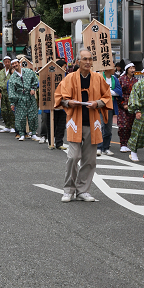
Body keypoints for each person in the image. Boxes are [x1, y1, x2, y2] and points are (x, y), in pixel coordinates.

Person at [55, 49, 112, 202]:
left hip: (92, 123)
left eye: (90, 59)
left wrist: (98, 103)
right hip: (75, 122)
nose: (87, 62)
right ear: (78, 61)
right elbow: (60, 96)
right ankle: (68, 190)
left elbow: (106, 96)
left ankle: (83, 190)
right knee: (73, 157)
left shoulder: (98, 78)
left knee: (90, 160)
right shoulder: (70, 78)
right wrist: (69, 102)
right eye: (84, 59)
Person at [8, 58, 40, 141]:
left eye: (16, 63)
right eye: (13, 64)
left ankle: (33, 133)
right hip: (20, 98)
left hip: (30, 96)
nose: (15, 65)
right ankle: (21, 133)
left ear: (19, 63)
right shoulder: (12, 78)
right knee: (20, 117)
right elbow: (11, 91)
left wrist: (33, 88)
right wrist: (12, 103)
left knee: (33, 115)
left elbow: (35, 80)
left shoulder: (29, 72)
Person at [97, 65, 122, 157]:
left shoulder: (115, 79)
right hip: (100, 105)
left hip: (110, 105)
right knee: (101, 126)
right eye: (113, 67)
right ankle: (99, 147)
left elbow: (119, 91)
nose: (115, 69)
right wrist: (110, 91)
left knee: (108, 128)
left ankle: (106, 147)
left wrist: (107, 91)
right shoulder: (99, 76)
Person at [117, 62, 137, 152]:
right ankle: (123, 143)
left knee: (130, 125)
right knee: (123, 125)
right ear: (127, 69)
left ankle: (128, 143)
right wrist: (123, 104)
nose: (133, 70)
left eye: (134, 68)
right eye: (131, 68)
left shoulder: (136, 80)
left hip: (132, 104)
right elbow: (118, 92)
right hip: (122, 103)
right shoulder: (121, 79)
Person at [0, 55, 15, 133]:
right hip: (3, 93)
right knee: (4, 110)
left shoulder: (12, 71)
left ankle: (13, 126)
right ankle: (7, 125)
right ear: (3, 63)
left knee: (11, 110)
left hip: (10, 92)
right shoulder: (1, 72)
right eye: (5, 62)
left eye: (8, 62)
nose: (7, 63)